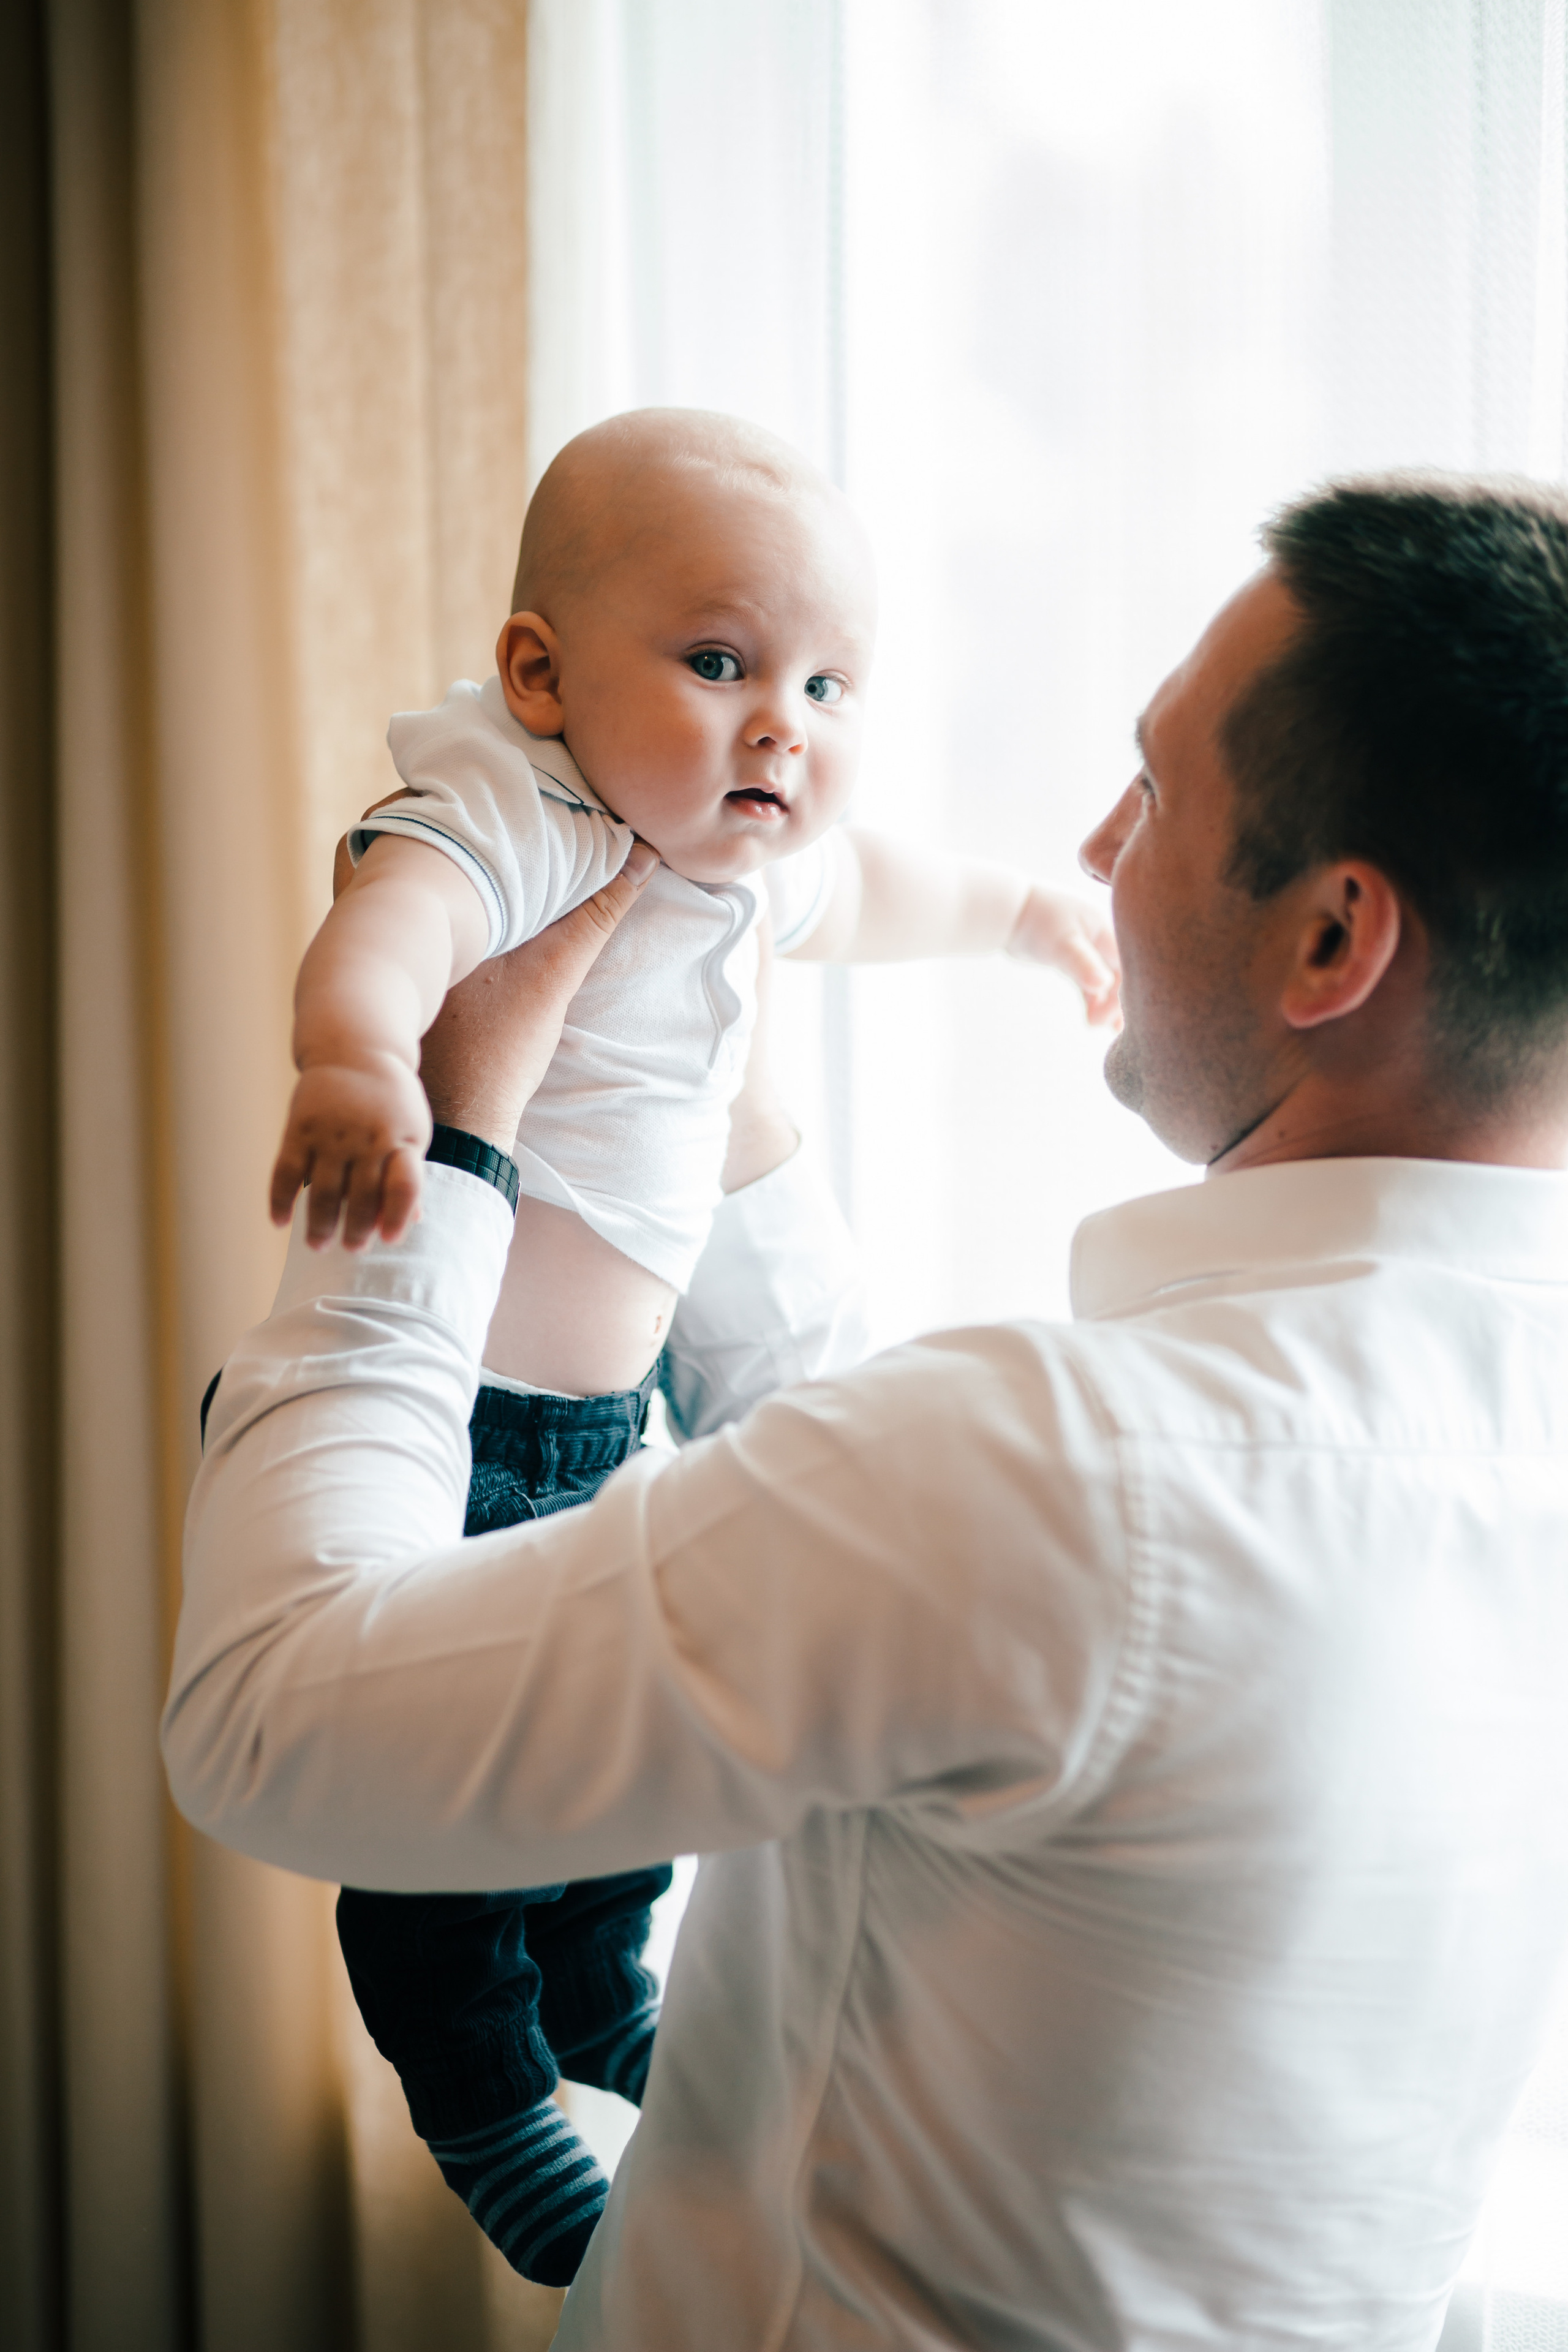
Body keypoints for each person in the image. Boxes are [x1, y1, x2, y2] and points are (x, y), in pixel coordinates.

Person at [165, 471, 1568, 2350]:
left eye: (1150, 789)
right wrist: (711, 1122)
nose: (1090, 837)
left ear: (1332, 943)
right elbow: (845, 1539)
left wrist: (471, 1123)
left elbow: (267, 1723)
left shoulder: (1061, 1475)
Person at [266, 405, 1120, 2283]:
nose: (782, 727)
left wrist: (1019, 911)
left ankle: (599, 2012)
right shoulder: (524, 805)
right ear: (541, 673)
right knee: (442, 1795)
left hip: (604, 1421)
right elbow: (390, 930)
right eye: (721, 663)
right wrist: (353, 1066)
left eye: (826, 682)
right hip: (456, 1421)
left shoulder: (739, 855)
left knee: (604, 1755)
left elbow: (881, 884)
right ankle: (486, 2088)